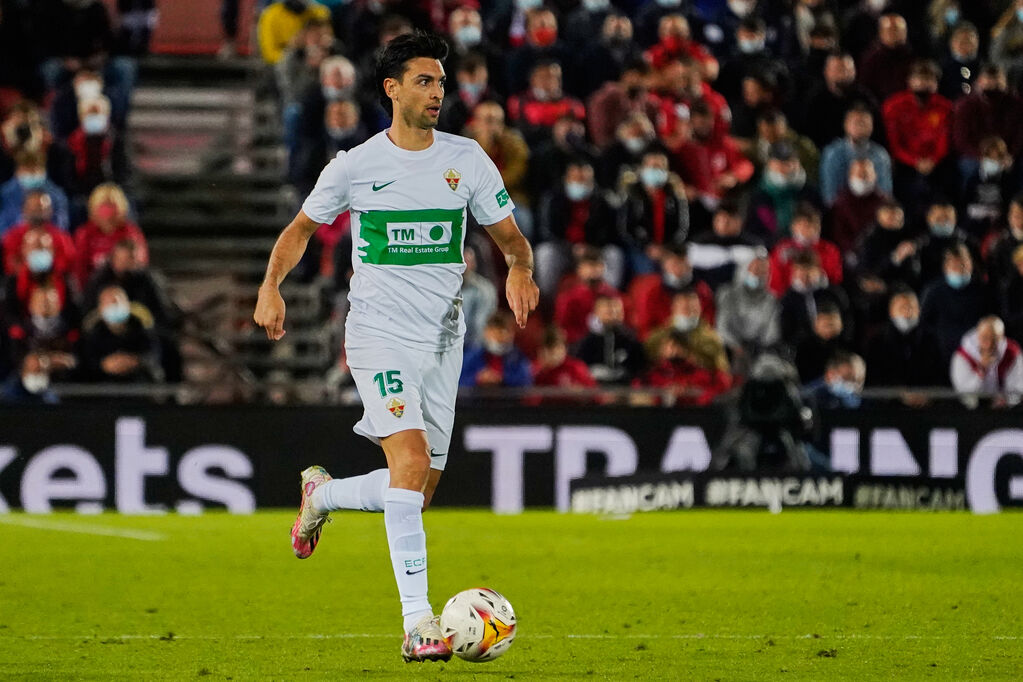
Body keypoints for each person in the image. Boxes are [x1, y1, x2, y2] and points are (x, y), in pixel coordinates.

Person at [252, 32, 538, 663]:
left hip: (444, 341)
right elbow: (300, 230)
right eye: (425, 81)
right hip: (378, 337)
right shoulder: (355, 166)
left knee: (416, 489)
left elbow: (512, 239)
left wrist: (519, 268)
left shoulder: (467, 159)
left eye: (441, 82)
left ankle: (320, 495)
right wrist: (271, 286)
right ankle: (418, 624)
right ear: (392, 88)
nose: (438, 92)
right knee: (407, 466)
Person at [865, 287, 946, 396]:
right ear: (891, 311)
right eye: (902, 308)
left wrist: (927, 394)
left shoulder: (931, 338)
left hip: (926, 401)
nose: (907, 313)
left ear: (919, 311)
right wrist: (900, 394)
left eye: (911, 307)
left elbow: (939, 372)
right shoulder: (877, 340)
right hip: (888, 403)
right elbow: (875, 377)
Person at [920, 244, 990, 364]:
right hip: (942, 355)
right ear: (946, 267)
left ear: (971, 265)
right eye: (954, 265)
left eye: (963, 264)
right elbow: (924, 324)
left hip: (976, 354)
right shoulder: (933, 291)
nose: (959, 269)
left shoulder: (983, 290)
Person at [82, 284, 162, 383]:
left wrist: (135, 361)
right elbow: (88, 361)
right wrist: (104, 365)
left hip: (139, 384)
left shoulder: (142, 328)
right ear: (100, 307)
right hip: (103, 387)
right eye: (109, 303)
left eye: (118, 301)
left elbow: (153, 354)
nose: (115, 306)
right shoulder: (93, 332)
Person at [715, 249, 780, 369]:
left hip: (759, 350)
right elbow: (722, 326)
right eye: (755, 269)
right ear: (745, 269)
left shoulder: (772, 299)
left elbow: (771, 331)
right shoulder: (727, 293)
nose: (758, 274)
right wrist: (736, 346)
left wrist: (758, 349)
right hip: (729, 348)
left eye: (763, 271)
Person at [73, 183, 147, 287]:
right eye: (103, 205)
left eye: (111, 205)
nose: (108, 211)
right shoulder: (85, 233)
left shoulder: (131, 232)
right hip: (95, 288)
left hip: (127, 286)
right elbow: (80, 268)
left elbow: (140, 263)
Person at [819, 103, 893, 206]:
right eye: (856, 122)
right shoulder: (833, 153)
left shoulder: (880, 155)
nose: (860, 127)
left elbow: (885, 192)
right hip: (842, 211)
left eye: (864, 123)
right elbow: (830, 194)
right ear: (846, 124)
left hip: (873, 210)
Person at [767, 203, 841, 297]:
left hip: (821, 295)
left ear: (818, 227)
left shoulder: (829, 249)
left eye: (809, 226)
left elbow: (836, 279)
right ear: (793, 227)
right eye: (801, 226)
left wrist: (818, 276)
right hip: (789, 298)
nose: (805, 231)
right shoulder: (782, 249)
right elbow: (774, 284)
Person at [641, 328, 731, 406]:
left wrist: (688, 389)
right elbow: (638, 393)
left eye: (677, 345)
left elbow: (715, 391)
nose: (673, 350)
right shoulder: (652, 375)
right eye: (668, 346)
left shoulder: (702, 374)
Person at [554, 249, 624, 346]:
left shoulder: (612, 295)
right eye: (590, 266)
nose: (594, 270)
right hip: (579, 347)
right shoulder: (569, 298)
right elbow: (563, 329)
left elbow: (621, 324)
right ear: (579, 269)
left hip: (609, 344)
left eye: (597, 265)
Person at [951, 316, 1023, 408]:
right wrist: (981, 369)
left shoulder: (1012, 353)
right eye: (984, 338)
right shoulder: (962, 356)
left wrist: (1007, 400)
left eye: (994, 339)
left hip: (1004, 410)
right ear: (978, 335)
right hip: (972, 412)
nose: (989, 344)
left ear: (1001, 337)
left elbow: (1018, 387)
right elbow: (965, 393)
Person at [575, 294, 646, 385]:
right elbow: (581, 367)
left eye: (617, 310)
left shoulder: (631, 340)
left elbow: (639, 368)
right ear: (596, 312)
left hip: (625, 388)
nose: (613, 313)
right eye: (609, 311)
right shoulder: (586, 340)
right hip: (594, 389)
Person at [828, 157, 887, 256]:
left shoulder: (883, 202)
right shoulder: (840, 202)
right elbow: (838, 234)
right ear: (850, 176)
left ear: (874, 176)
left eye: (866, 174)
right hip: (848, 255)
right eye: (859, 174)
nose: (862, 178)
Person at [459, 311, 532, 388]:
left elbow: (526, 382)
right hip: (476, 399)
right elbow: (459, 382)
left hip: (507, 399)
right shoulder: (473, 356)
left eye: (505, 333)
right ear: (486, 333)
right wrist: (477, 379)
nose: (502, 338)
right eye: (496, 334)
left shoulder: (517, 357)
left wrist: (502, 379)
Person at [257, 0, 331, 65]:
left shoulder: (317, 12)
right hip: (282, 65)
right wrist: (296, 56)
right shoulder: (270, 15)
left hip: (318, 61)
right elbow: (270, 55)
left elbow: (328, 41)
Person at [801, 350, 866, 409]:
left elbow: (853, 404)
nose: (846, 383)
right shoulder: (813, 389)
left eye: (852, 379)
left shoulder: (853, 397)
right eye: (845, 377)